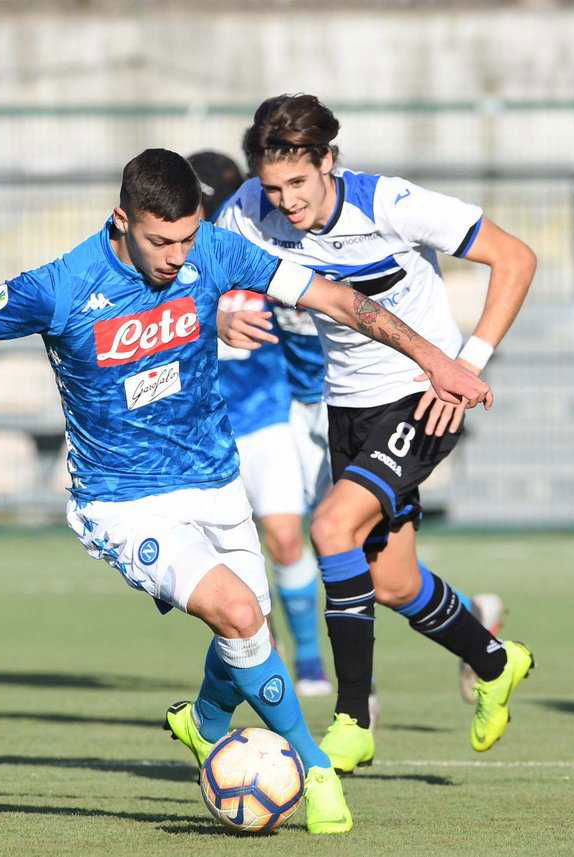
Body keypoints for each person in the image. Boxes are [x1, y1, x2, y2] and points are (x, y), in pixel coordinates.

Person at [0, 148, 492, 832]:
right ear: (122, 221)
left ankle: (203, 722)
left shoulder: (216, 253)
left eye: (187, 238)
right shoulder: (61, 285)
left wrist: (439, 360)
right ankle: (315, 767)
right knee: (241, 616)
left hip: (215, 480)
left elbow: (337, 299)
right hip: (122, 500)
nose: (175, 256)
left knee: (243, 638)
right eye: (160, 241)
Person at [215, 94, 536, 773]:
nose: (287, 202)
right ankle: (496, 660)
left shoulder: (390, 204)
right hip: (347, 407)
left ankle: (352, 718)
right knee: (390, 581)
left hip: (422, 397)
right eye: (275, 188)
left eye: (299, 184)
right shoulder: (245, 209)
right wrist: (217, 313)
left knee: (330, 529)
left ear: (330, 160)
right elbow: (192, 274)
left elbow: (516, 258)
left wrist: (464, 365)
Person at [188, 150, 330, 697]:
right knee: (230, 563)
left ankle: (312, 662)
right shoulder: (166, 266)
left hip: (265, 413)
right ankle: (261, 669)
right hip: (203, 429)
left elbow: (299, 325)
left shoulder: (252, 251)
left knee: (287, 538)